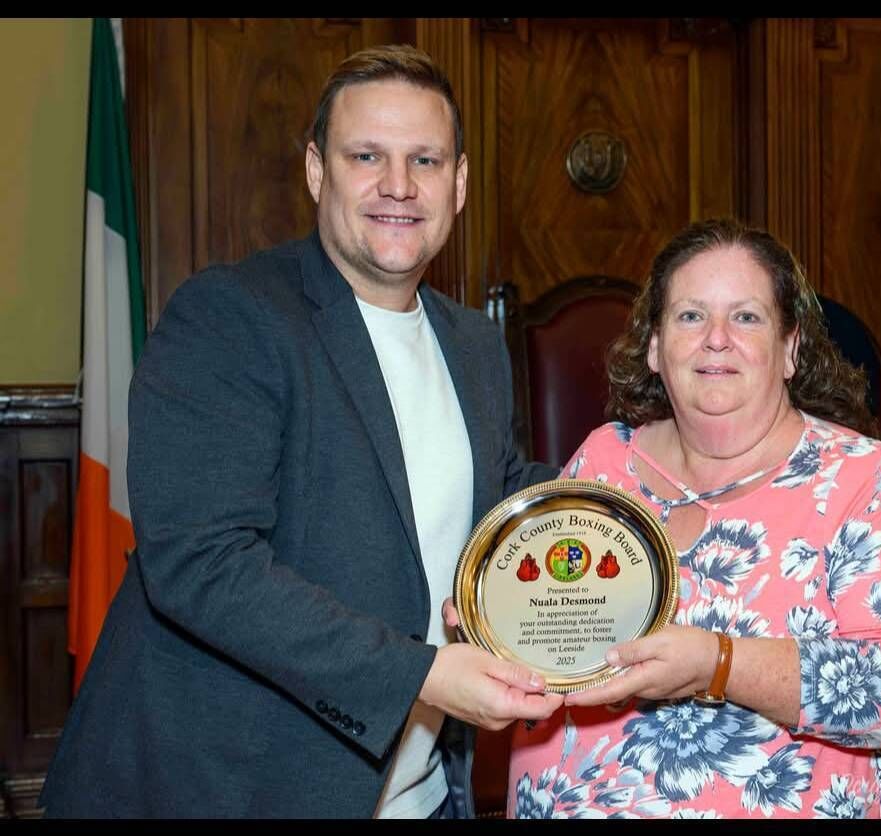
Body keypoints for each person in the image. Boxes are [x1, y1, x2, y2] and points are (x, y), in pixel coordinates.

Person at [39, 44, 562, 819]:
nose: (397, 185)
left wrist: (648, 492)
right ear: (317, 171)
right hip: (230, 788)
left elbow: (495, 499)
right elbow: (203, 564)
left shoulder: (472, 344)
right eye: (366, 156)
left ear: (457, 183)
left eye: (425, 159)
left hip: (420, 792)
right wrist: (419, 675)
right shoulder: (231, 316)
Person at [501, 218, 881, 818]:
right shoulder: (602, 460)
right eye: (691, 316)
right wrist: (498, 619)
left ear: (791, 348)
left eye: (746, 317)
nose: (716, 339)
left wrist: (720, 664)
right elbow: (555, 626)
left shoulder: (859, 478)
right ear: (654, 345)